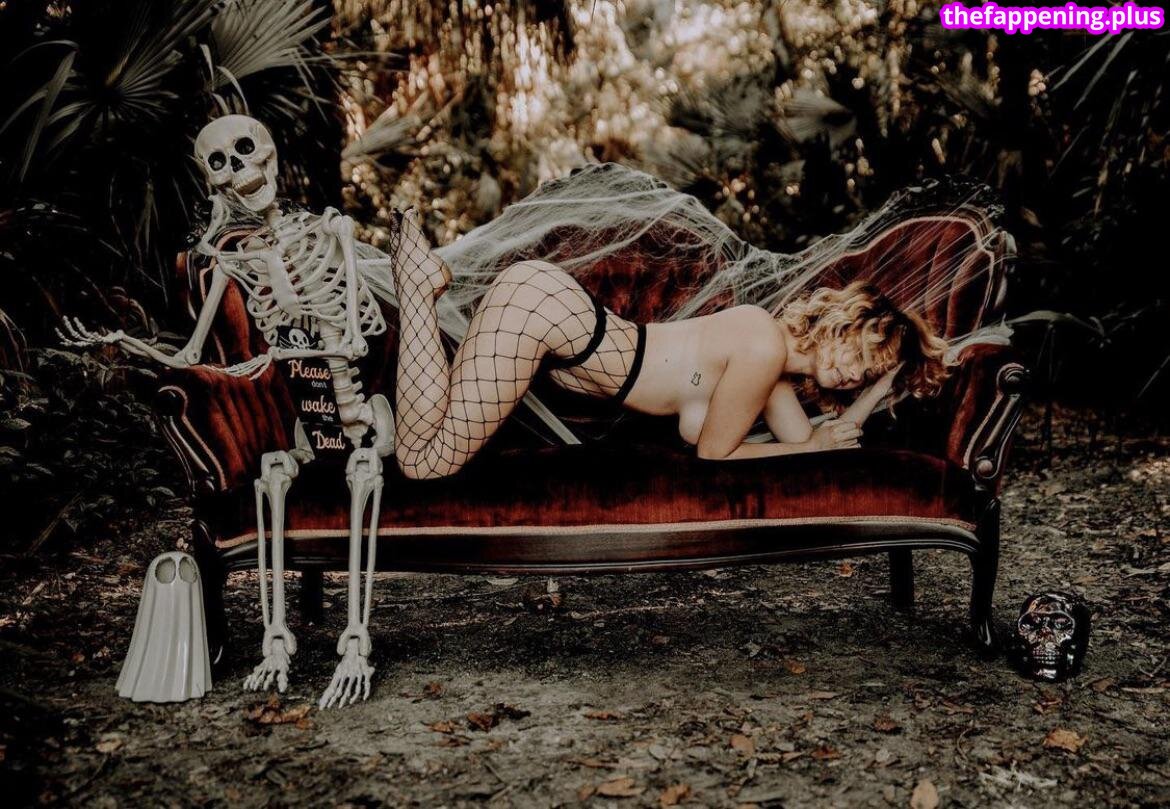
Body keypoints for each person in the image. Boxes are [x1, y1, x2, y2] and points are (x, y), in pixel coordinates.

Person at [389, 208, 949, 481]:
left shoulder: (773, 367)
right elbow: (717, 455)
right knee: (423, 462)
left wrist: (885, 382)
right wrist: (814, 449)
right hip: (542, 313)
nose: (855, 372)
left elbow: (815, 441)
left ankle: (419, 287)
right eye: (861, 353)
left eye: (867, 370)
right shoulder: (762, 348)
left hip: (544, 308)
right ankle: (417, 286)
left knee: (422, 449)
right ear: (842, 323)